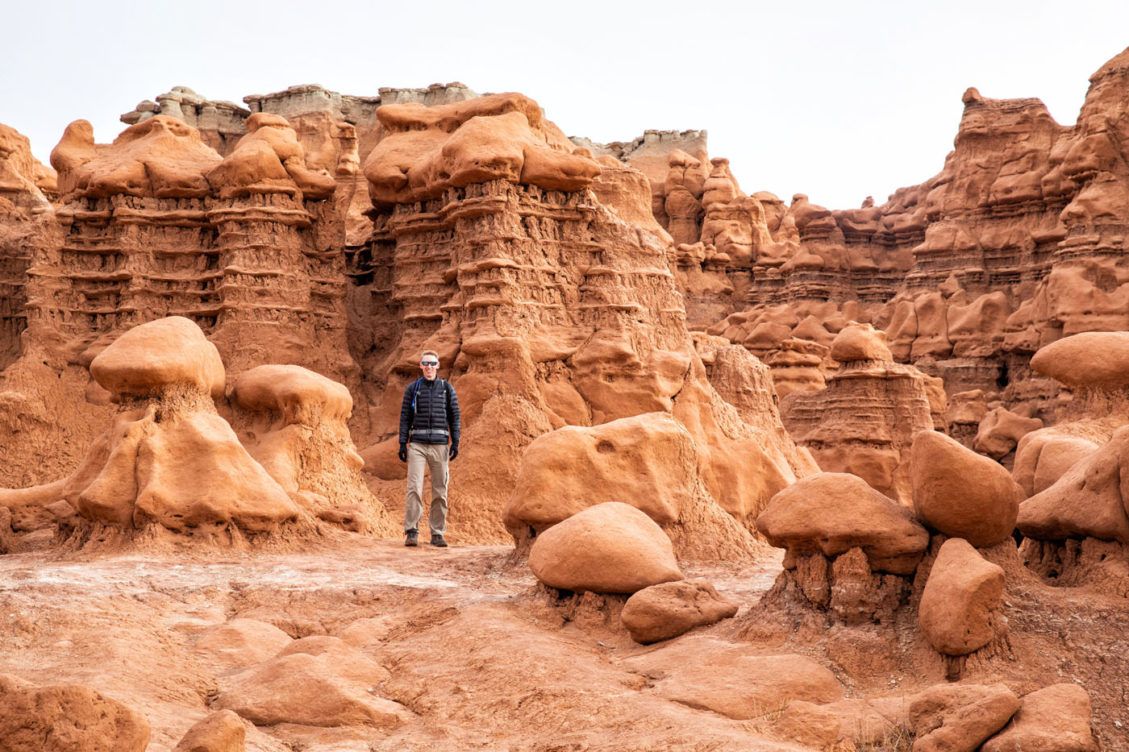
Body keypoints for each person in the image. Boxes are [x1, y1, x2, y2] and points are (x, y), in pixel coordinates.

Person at [398, 350, 460, 548]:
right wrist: (402, 443)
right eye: (425, 363)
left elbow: (455, 416)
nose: (429, 367)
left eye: (433, 363)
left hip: (440, 444)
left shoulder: (446, 389)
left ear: (438, 366)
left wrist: (456, 441)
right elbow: (405, 416)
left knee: (440, 490)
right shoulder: (413, 389)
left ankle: (437, 533)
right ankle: (412, 531)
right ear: (420, 366)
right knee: (414, 487)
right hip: (417, 444)